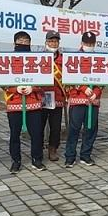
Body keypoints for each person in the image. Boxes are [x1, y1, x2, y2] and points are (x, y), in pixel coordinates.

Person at [5, 31, 45, 172]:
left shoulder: (37, 60)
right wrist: (15, 89)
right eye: (20, 41)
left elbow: (45, 79)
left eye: (26, 41)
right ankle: (16, 160)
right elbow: (1, 82)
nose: (23, 43)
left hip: (33, 103)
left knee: (37, 133)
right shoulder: (7, 60)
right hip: (14, 103)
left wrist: (33, 88)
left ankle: (37, 159)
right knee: (14, 134)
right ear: (14, 43)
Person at [64, 31, 103, 167]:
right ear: (82, 43)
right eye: (87, 43)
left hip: (93, 100)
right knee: (74, 129)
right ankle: (70, 156)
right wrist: (83, 87)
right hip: (77, 99)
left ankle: (86, 155)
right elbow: (69, 77)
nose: (89, 46)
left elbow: (103, 79)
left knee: (90, 129)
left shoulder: (99, 59)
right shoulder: (74, 58)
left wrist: (96, 93)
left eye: (91, 44)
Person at [41, 30, 65, 162]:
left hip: (57, 97)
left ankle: (53, 148)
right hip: (41, 97)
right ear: (46, 42)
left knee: (56, 127)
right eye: (51, 41)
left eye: (56, 41)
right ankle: (38, 148)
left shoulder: (64, 59)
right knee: (39, 125)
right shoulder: (39, 57)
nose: (53, 43)